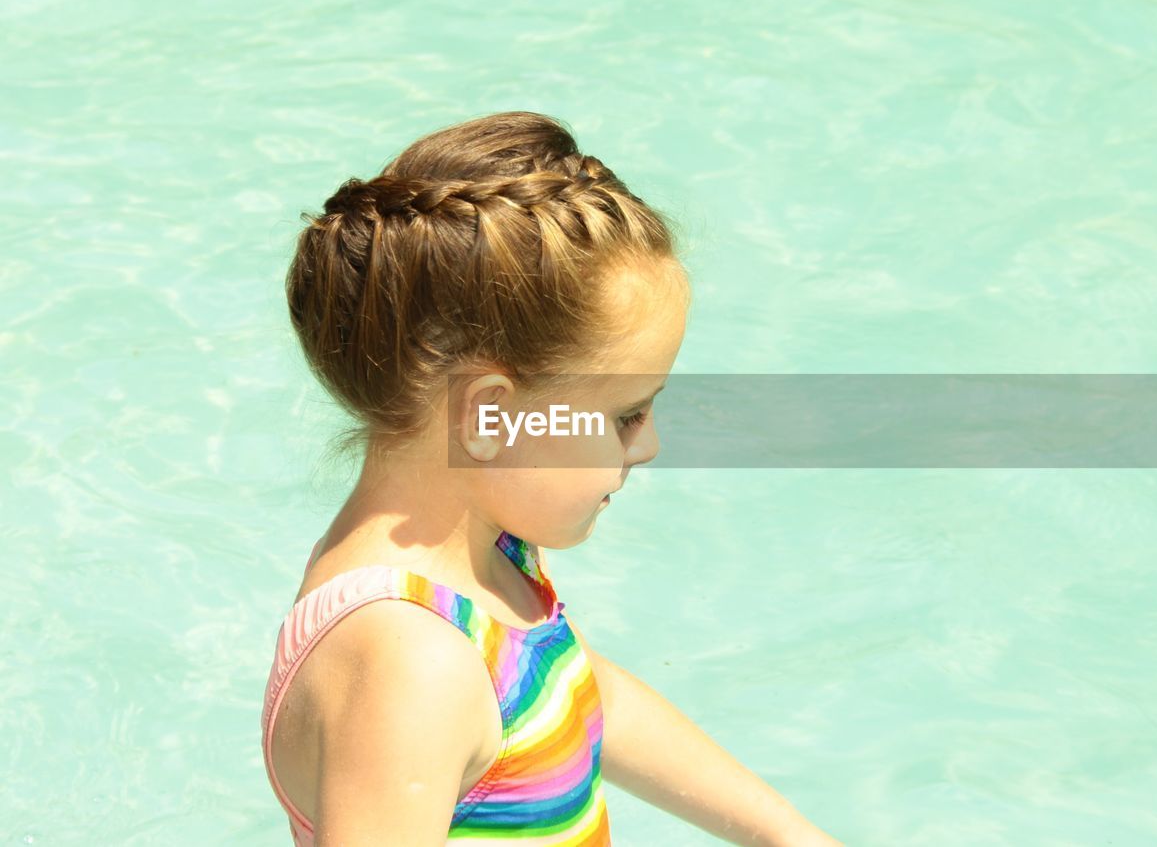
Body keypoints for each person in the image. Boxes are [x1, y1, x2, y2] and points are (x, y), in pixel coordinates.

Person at [259, 111, 841, 846]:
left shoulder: (486, 553)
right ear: (492, 417)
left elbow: (580, 696)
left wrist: (786, 835)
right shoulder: (410, 665)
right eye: (627, 415)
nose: (649, 445)